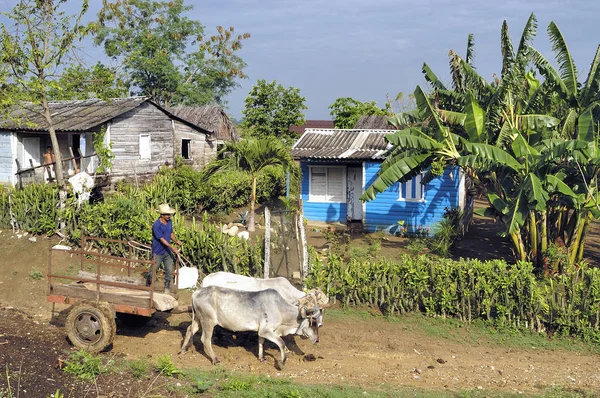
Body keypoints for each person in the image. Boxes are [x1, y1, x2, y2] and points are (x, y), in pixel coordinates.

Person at [148, 203, 182, 294]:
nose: (169, 216)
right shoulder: (156, 225)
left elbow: (171, 233)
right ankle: (149, 285)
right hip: (158, 251)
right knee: (154, 269)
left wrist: (176, 241)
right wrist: (172, 248)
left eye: (169, 214)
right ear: (162, 215)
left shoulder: (169, 222)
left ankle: (166, 288)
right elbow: (162, 239)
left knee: (169, 269)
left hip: (167, 251)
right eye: (167, 214)